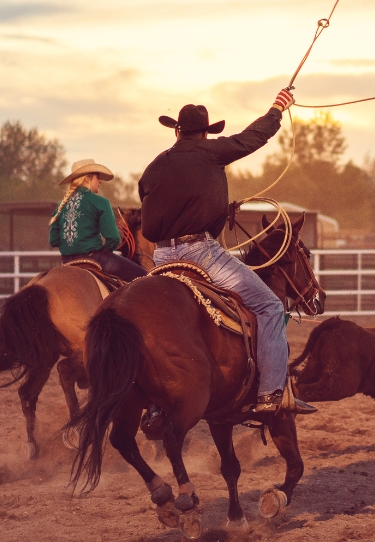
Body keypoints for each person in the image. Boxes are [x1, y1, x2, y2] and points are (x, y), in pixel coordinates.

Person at [138, 89, 316, 415]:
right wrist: (277, 108)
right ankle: (271, 393)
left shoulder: (153, 168)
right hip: (202, 253)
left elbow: (149, 226)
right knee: (270, 308)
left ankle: (152, 404)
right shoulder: (211, 152)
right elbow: (254, 136)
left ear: (177, 131)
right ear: (205, 132)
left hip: (162, 259)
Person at [49, 159, 148, 281]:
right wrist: (105, 250)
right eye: (97, 177)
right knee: (145, 277)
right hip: (95, 259)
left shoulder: (60, 206)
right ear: (87, 179)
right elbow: (113, 238)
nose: (100, 180)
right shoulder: (100, 202)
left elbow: (53, 241)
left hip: (66, 261)